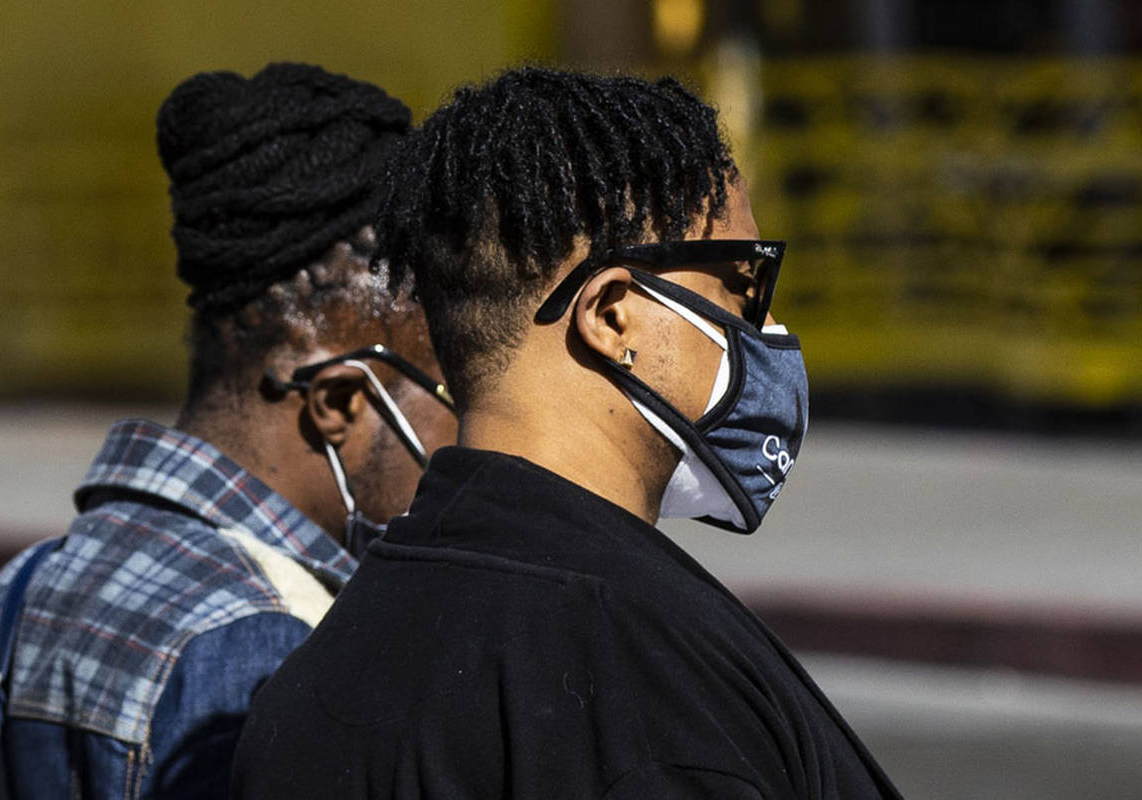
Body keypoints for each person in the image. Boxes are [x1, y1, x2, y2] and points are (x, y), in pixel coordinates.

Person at [232, 67, 902, 799]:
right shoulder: (651, 690)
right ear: (614, 316)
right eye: (741, 285)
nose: (766, 331)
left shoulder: (318, 669)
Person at [0, 63, 456, 798]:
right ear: (340, 402)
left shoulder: (10, 597)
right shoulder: (267, 650)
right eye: (453, 390)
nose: (471, 434)